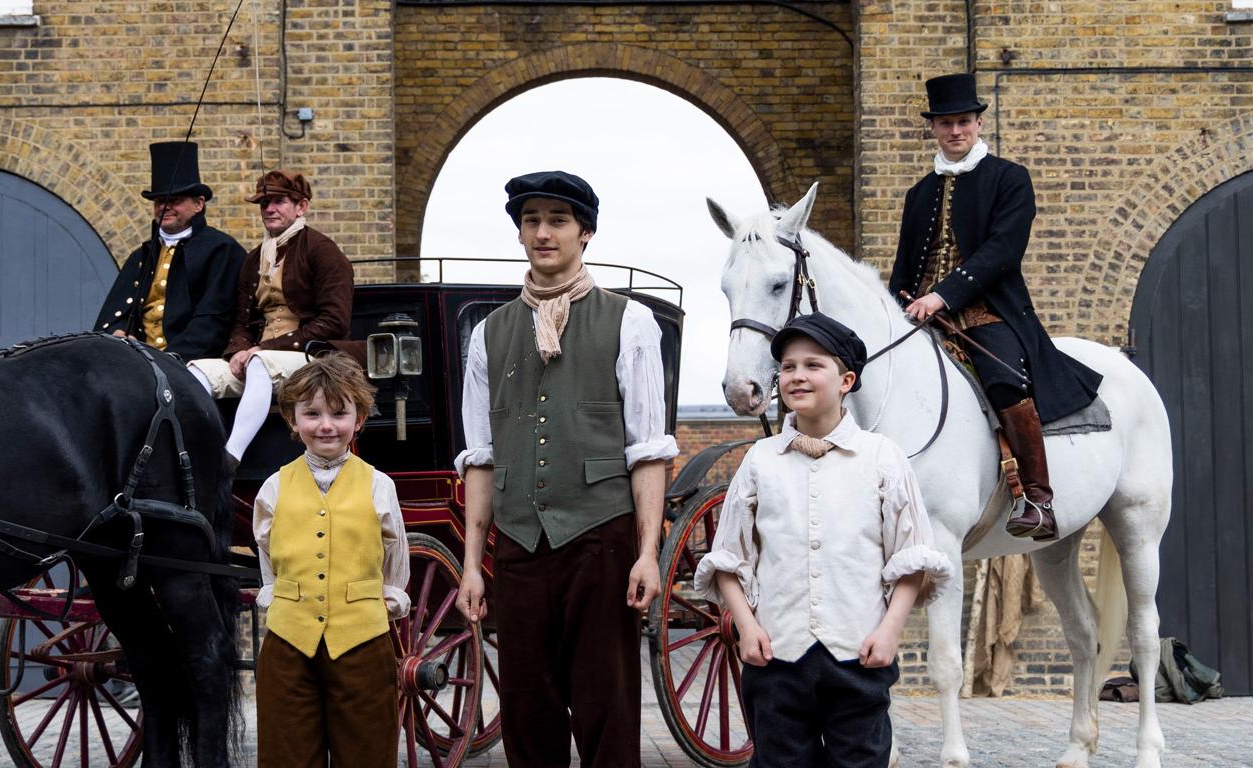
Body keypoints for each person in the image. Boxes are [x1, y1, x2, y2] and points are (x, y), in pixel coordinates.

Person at [453, 171, 676, 767]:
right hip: (520, 545)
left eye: (557, 220)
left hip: (600, 540)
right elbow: (481, 456)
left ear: (586, 232)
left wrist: (647, 552)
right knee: (528, 710)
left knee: (607, 705)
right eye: (532, 221)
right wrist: (473, 565)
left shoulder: (630, 322)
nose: (543, 232)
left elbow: (648, 448)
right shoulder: (487, 334)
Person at [696, 313, 955, 768]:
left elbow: (912, 558)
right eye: (788, 366)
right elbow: (728, 559)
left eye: (813, 365)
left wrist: (889, 631)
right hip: (775, 660)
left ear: (846, 380)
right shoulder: (760, 461)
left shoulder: (883, 458)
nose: (797, 375)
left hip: (859, 658)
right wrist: (747, 628)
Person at [889, 72, 1103, 541]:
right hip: (922, 315)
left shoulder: (1009, 179)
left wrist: (942, 295)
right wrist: (899, 301)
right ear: (934, 128)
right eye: (946, 124)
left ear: (978, 123)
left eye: (963, 121)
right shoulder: (919, 193)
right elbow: (905, 264)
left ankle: (1037, 497)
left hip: (988, 311)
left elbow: (1003, 251)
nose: (955, 131)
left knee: (1005, 378)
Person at [250, 353, 409, 767]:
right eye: (312, 413)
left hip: (362, 644)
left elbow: (395, 565)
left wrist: (375, 605)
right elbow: (270, 559)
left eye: (339, 414)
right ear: (293, 420)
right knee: (287, 754)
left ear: (358, 420)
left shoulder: (379, 486)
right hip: (288, 645)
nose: (325, 425)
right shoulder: (273, 488)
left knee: (366, 754)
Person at [186, 170, 353, 460]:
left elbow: (334, 321)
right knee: (195, 372)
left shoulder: (322, 251)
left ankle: (230, 457)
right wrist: (239, 350)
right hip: (259, 358)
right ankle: (197, 455)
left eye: (278, 201)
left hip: (314, 358)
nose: (269, 209)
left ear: (301, 207)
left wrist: (262, 349)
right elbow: (241, 321)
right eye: (264, 204)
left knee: (260, 365)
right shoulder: (254, 259)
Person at [94, 141, 247, 359]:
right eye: (158, 201)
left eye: (174, 200)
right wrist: (117, 334)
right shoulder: (142, 256)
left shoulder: (222, 251)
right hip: (140, 362)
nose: (164, 207)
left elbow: (212, 324)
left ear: (199, 204)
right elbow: (114, 315)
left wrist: (169, 360)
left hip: (194, 362)